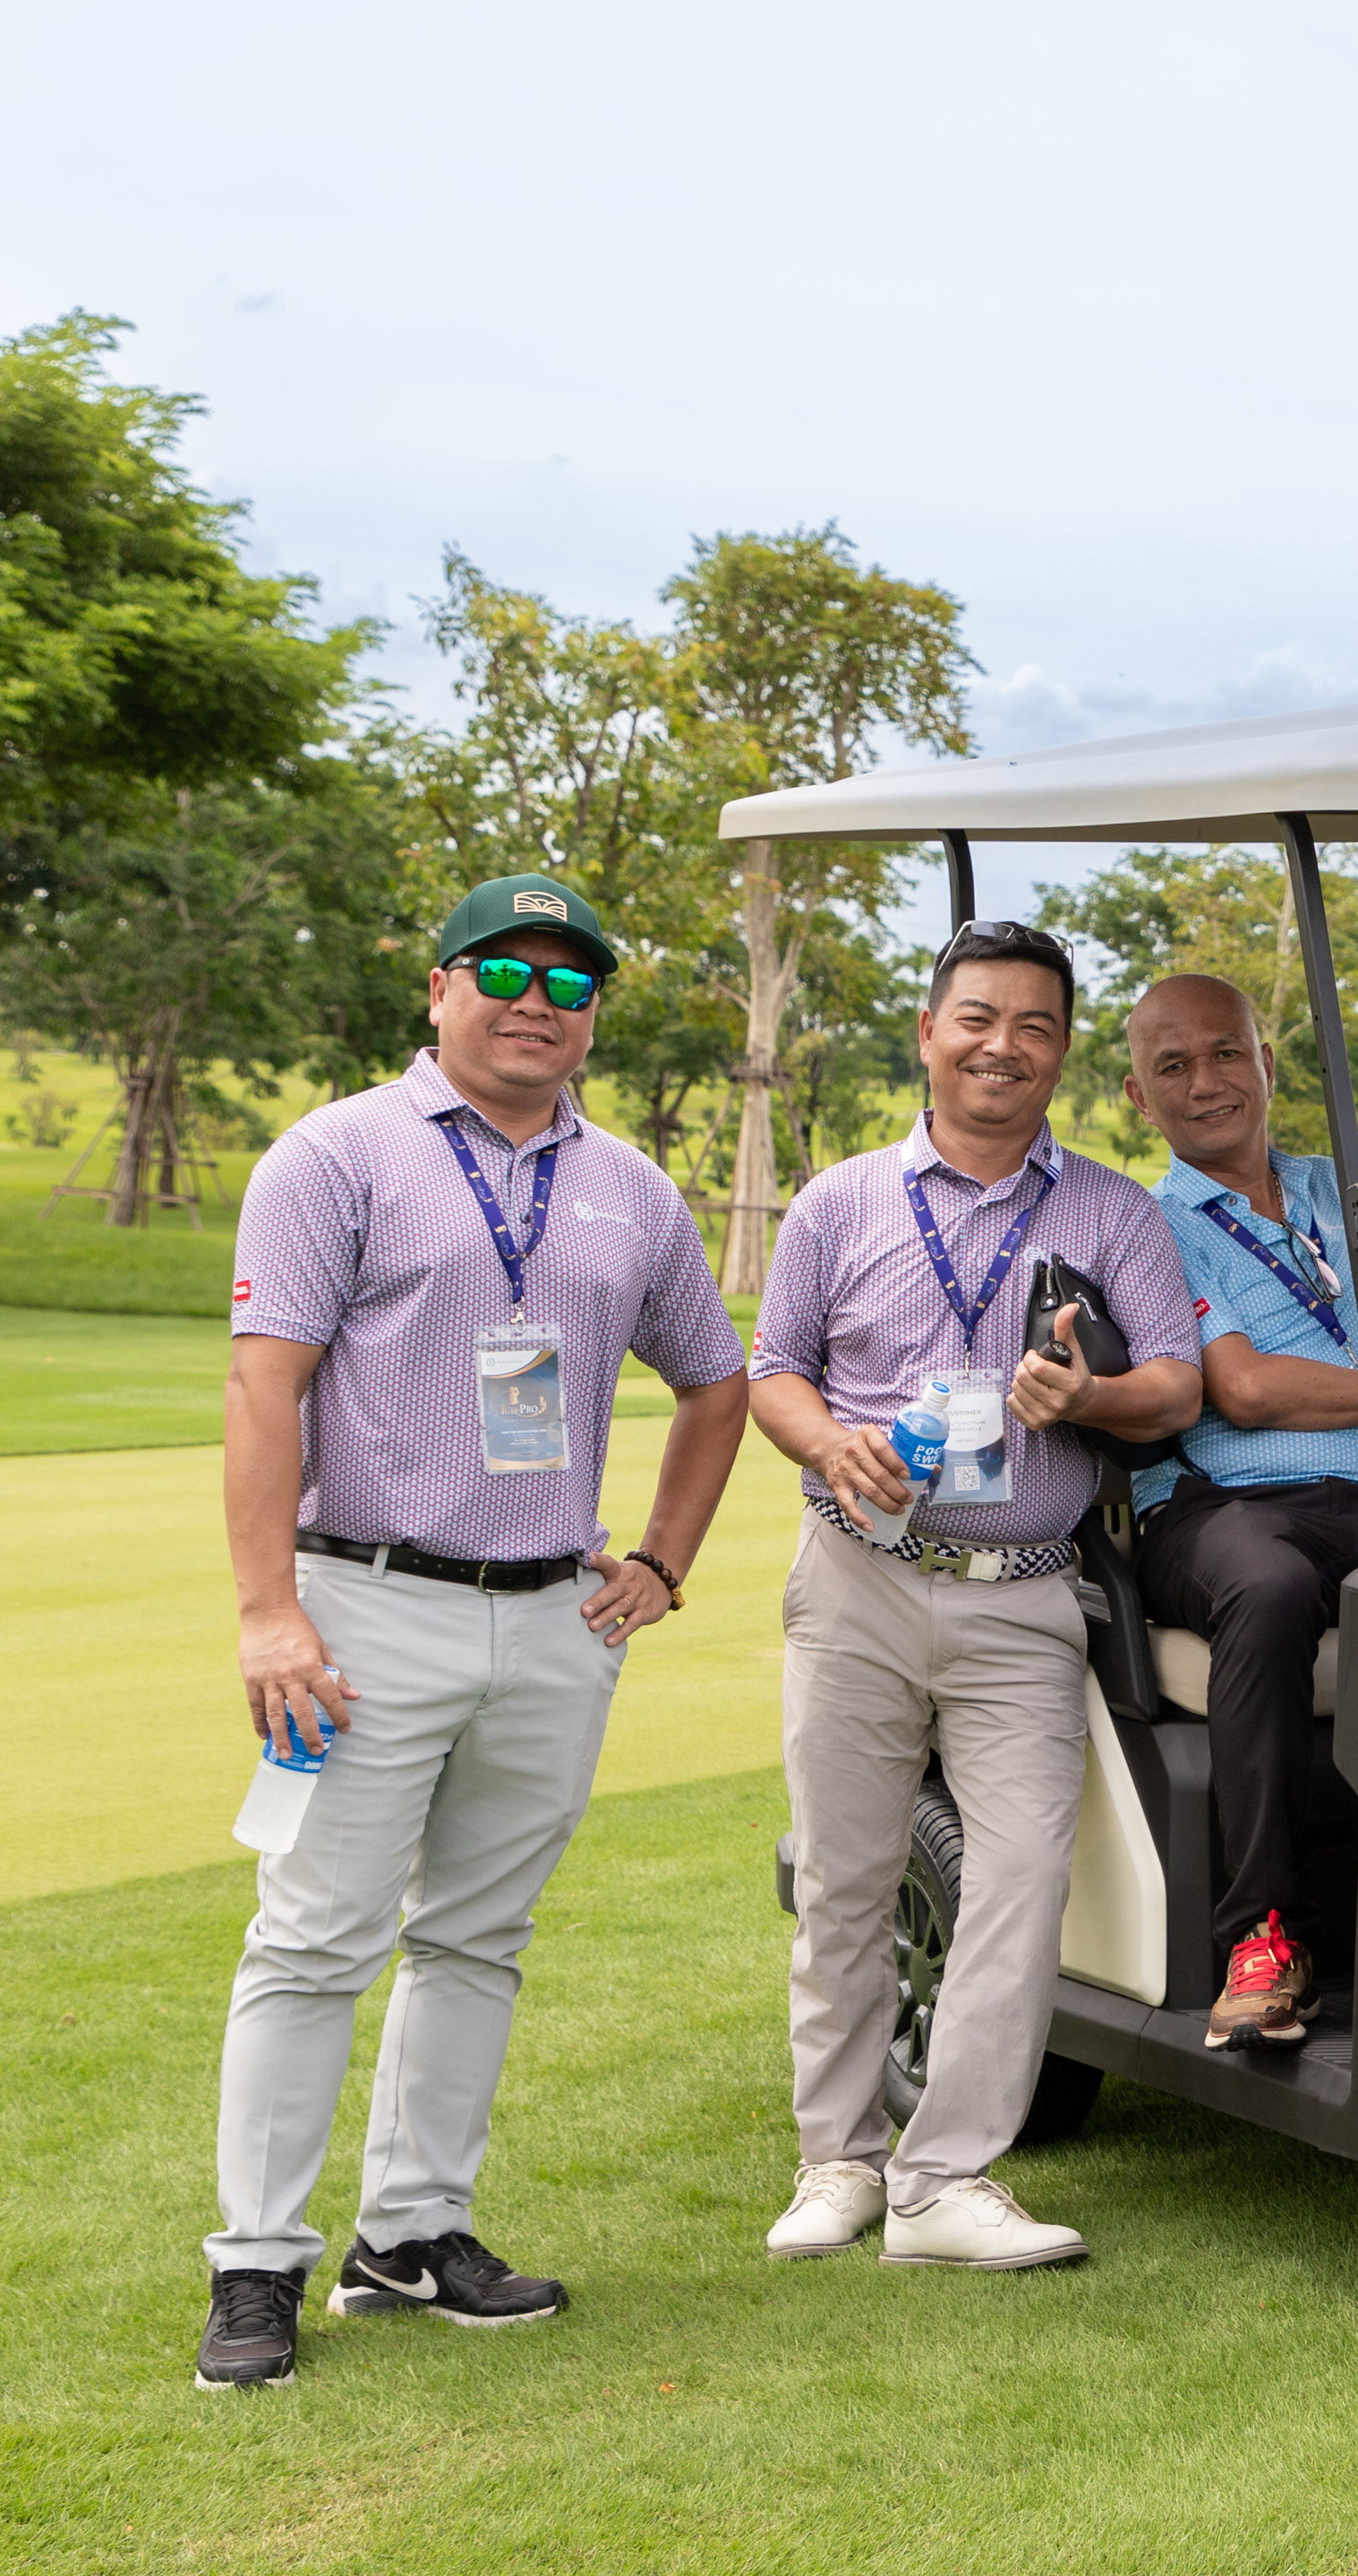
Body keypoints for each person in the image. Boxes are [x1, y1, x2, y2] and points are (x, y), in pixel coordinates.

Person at [201, 872, 749, 2391]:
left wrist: (665, 1561)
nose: (535, 1004)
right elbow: (266, 1391)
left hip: (556, 1614)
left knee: (477, 1941)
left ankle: (413, 2236)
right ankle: (257, 2265)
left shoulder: (631, 1185)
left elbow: (717, 1382)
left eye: (569, 986)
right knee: (315, 1941)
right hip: (366, 1605)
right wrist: (268, 1614)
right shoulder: (338, 1156)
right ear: (437, 991)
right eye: (502, 972)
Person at [745, 919, 1201, 2272]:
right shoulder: (837, 1202)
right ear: (930, 1032)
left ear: (1062, 1052)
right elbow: (774, 1369)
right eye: (978, 1019)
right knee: (847, 1875)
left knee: (1018, 1882)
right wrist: (830, 1442)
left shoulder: (1112, 1209)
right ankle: (839, 2161)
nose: (1004, 1046)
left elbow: (1172, 1383)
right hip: (859, 1579)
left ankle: (946, 2180)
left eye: (1036, 1026)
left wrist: (1091, 1399)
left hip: (1023, 1595)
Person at [1120, 972, 1358, 2055]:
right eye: (1174, 1066)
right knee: (1272, 1587)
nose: (1206, 1084)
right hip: (1221, 1502)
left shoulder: (1350, 1194)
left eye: (1226, 1054)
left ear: (1269, 1064)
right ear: (1141, 1097)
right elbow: (1243, 1389)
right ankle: (1264, 1938)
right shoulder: (1152, 1225)